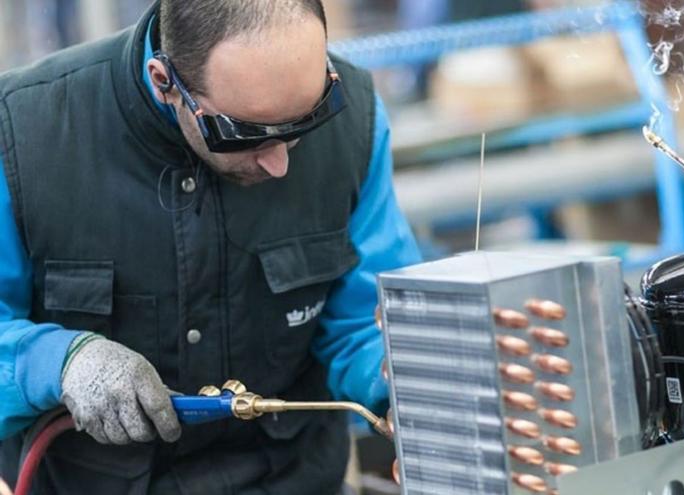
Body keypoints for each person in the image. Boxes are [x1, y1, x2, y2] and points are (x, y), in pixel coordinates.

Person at [0, 0, 420, 493]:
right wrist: (60, 362)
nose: (280, 164)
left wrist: (408, 383)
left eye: (308, 120)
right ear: (164, 82)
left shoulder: (357, 126)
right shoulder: (25, 136)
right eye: (243, 133)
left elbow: (364, 325)